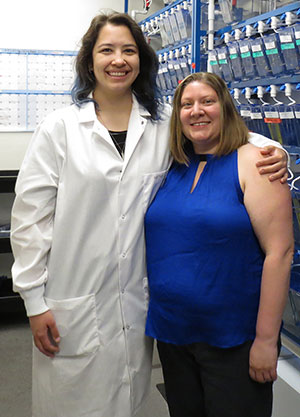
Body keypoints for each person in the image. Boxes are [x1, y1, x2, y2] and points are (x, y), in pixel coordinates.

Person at [10, 10, 288, 417]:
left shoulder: (160, 126)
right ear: (90, 61)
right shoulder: (59, 129)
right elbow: (30, 223)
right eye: (106, 50)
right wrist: (34, 300)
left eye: (128, 50)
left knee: (129, 402)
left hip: (139, 308)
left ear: (141, 59)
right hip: (73, 300)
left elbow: (219, 129)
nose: (118, 59)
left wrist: (276, 151)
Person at [144, 72, 294, 417]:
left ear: (225, 108)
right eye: (187, 104)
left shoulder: (256, 163)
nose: (197, 111)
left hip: (234, 340)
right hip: (173, 335)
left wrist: (267, 341)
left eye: (207, 101)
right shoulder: (170, 166)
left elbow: (280, 253)